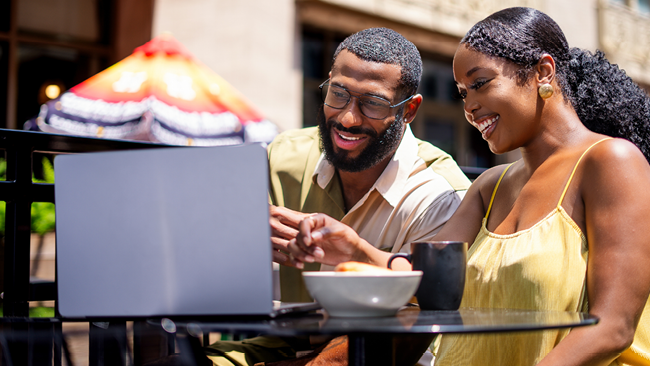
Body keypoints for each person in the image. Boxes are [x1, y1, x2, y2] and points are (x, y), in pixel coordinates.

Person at [287, 7, 650, 366]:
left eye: (480, 83)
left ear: (543, 71)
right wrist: (352, 249)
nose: (470, 107)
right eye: (462, 93)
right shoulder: (490, 186)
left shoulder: (610, 162)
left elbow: (613, 328)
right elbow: (429, 281)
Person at [204, 27, 471, 366]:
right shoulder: (283, 157)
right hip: (279, 345)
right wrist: (237, 230)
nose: (347, 118)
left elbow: (419, 330)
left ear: (410, 111)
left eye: (373, 104)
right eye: (338, 93)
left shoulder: (441, 196)